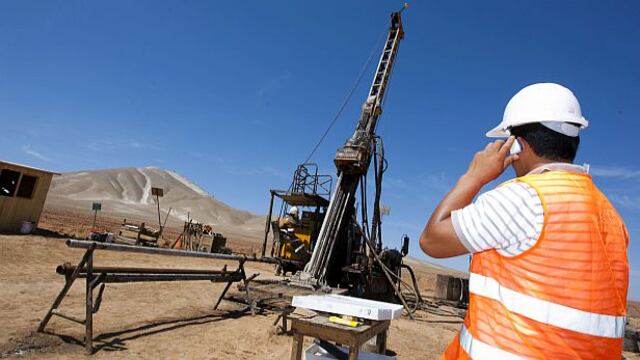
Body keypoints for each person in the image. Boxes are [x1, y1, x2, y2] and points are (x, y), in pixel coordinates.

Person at [420, 83, 629, 359]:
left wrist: (474, 176)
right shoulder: (610, 215)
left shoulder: (524, 198)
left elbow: (432, 240)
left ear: (518, 144)